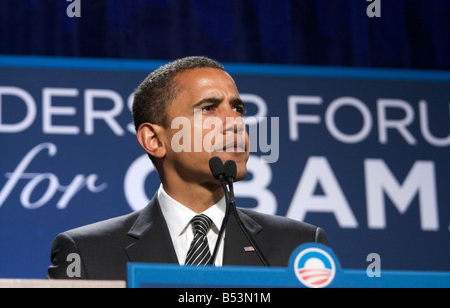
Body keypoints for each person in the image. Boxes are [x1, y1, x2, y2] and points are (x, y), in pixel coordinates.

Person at [47, 56, 328, 280]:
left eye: (238, 109)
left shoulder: (298, 247)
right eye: (209, 108)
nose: (235, 123)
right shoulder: (87, 253)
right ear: (154, 140)